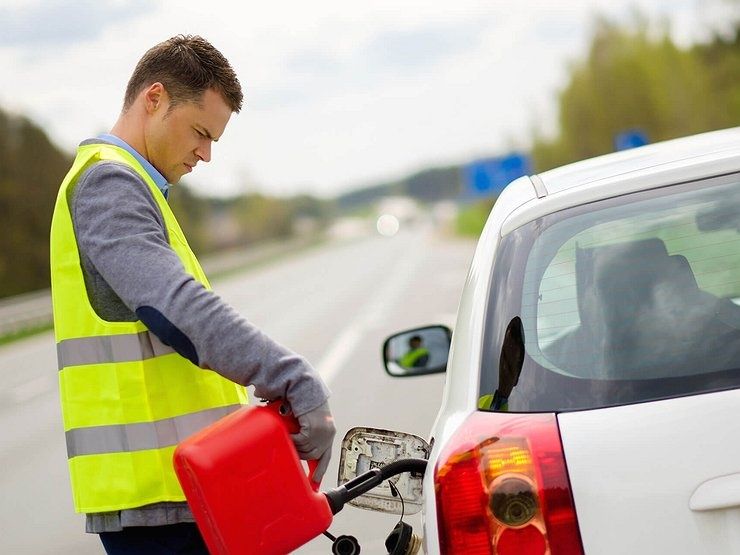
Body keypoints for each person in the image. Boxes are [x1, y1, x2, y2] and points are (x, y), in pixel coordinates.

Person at [49, 35, 335, 554]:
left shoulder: (134, 185)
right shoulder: (109, 185)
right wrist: (288, 374)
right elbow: (173, 306)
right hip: (157, 504)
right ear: (153, 99)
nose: (205, 155)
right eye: (201, 133)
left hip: (186, 489)